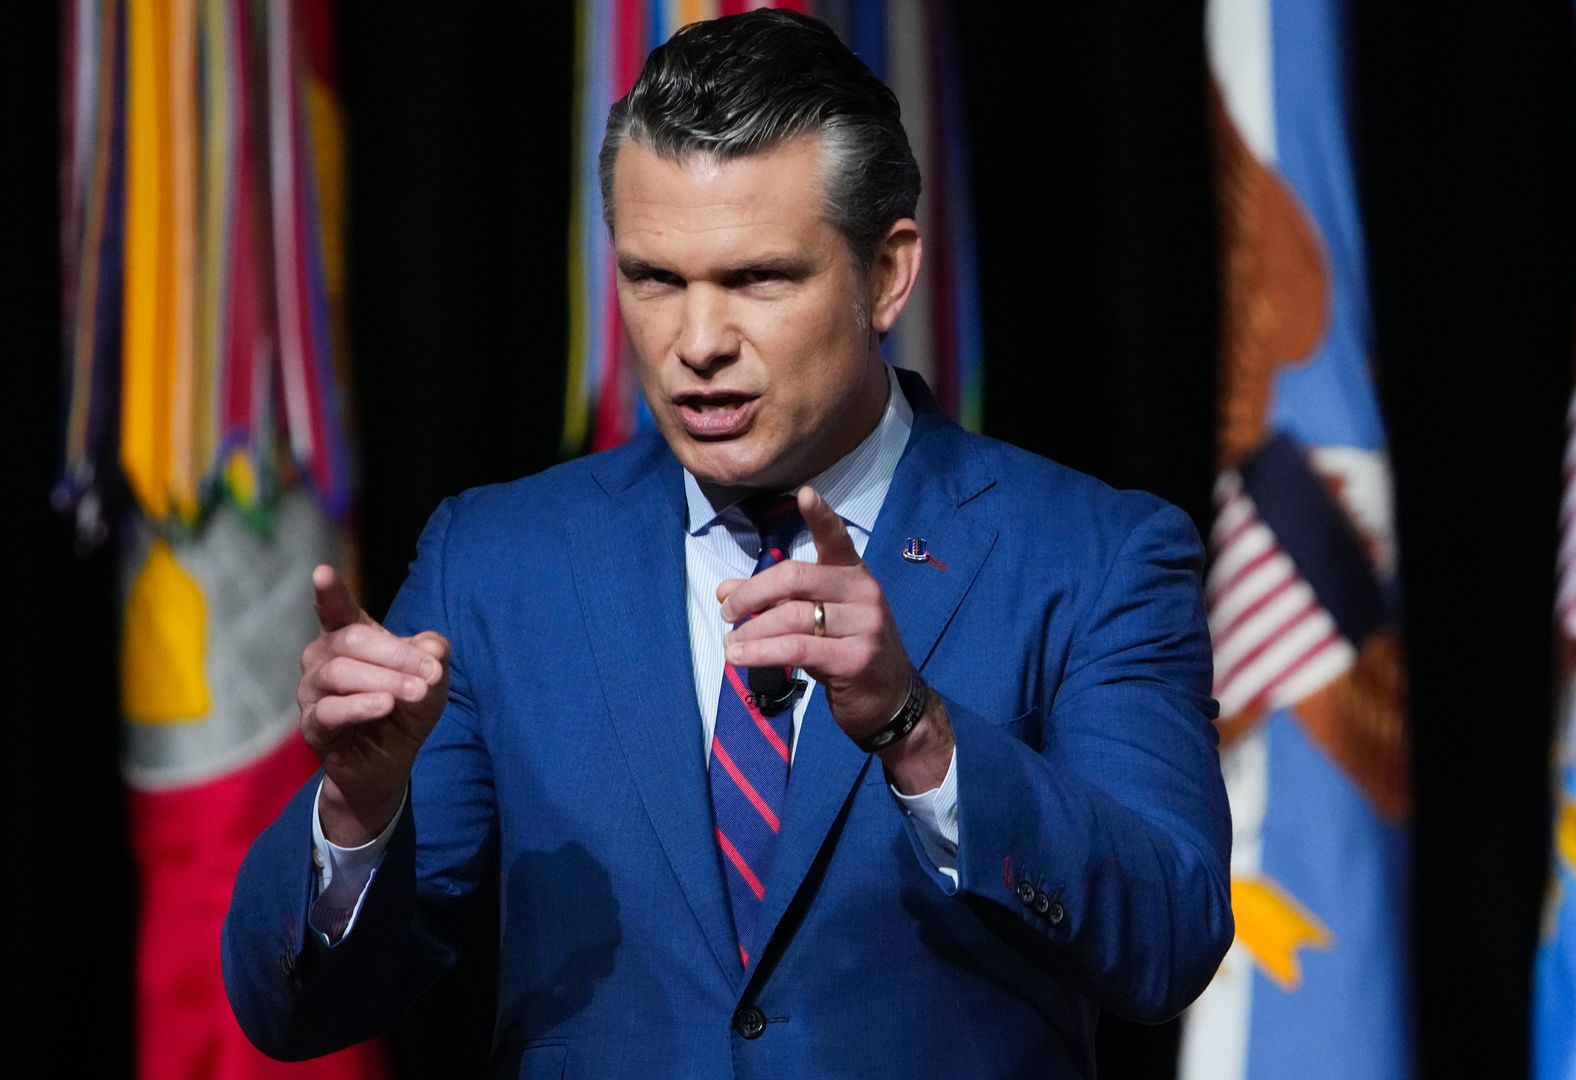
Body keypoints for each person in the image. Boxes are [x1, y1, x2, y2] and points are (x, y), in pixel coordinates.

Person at [223, 10, 1231, 1076]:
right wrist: (358, 812)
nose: (697, 343)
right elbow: (295, 1014)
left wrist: (919, 734)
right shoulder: (500, 562)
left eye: (758, 279)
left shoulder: (1092, 555)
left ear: (886, 275)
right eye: (656, 279)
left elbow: (1167, 939)